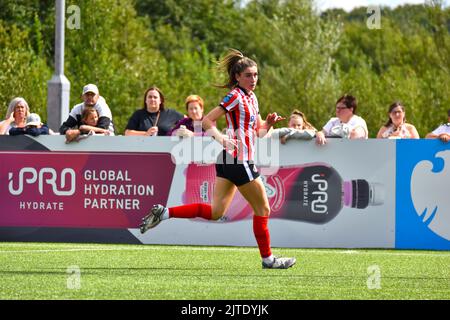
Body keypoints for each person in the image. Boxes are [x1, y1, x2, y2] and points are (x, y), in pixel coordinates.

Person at [139, 49, 296, 269]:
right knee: (263, 210)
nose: (254, 79)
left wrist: (269, 123)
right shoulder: (235, 96)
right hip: (238, 159)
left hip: (231, 160)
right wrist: (222, 139)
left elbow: (259, 132)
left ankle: (165, 213)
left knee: (216, 212)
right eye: (249, 75)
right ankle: (268, 259)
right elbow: (206, 121)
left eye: (256, 75)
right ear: (238, 77)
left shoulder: (252, 97)